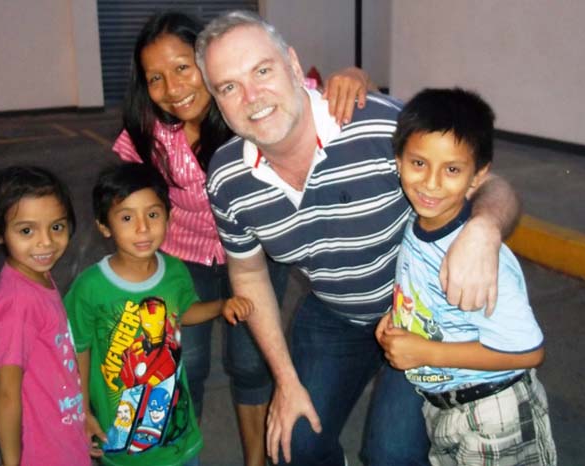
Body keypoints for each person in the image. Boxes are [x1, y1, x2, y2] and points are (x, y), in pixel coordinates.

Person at [196, 10, 521, 466]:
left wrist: (484, 229)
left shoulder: (380, 126)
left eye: (262, 71)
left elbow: (491, 185)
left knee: (392, 454)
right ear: (217, 100)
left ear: (293, 64)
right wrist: (285, 382)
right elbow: (248, 273)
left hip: (422, 316)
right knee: (295, 443)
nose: (252, 97)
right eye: (229, 87)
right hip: (335, 312)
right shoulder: (227, 177)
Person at [111, 10, 372, 466]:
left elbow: (313, 91)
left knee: (251, 361)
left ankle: (255, 459)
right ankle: (178, 455)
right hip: (185, 259)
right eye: (155, 78)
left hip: (257, 253)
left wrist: (355, 75)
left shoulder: (247, 107)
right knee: (185, 361)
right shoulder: (148, 134)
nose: (172, 88)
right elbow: (127, 199)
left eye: (182, 68)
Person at [376, 88, 556, 465]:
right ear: (398, 161)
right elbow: (427, 296)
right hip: (444, 408)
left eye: (452, 170)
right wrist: (399, 319)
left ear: (477, 177)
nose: (431, 183)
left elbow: (529, 351)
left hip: (495, 416)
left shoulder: (478, 259)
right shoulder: (417, 225)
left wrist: (427, 352)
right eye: (419, 163)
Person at [64, 163, 255, 466]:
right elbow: (79, 349)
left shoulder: (174, 271)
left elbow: (183, 312)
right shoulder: (90, 287)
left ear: (169, 216)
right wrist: (83, 412)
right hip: (122, 446)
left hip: (179, 439)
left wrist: (221, 306)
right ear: (104, 226)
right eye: (127, 218)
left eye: (152, 214)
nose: (143, 228)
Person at [0, 166, 94, 466]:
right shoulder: (17, 302)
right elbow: (6, 392)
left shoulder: (37, 276)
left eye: (56, 227)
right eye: (26, 231)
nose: (46, 242)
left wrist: (82, 418)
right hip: (44, 452)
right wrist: (11, 462)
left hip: (64, 436)